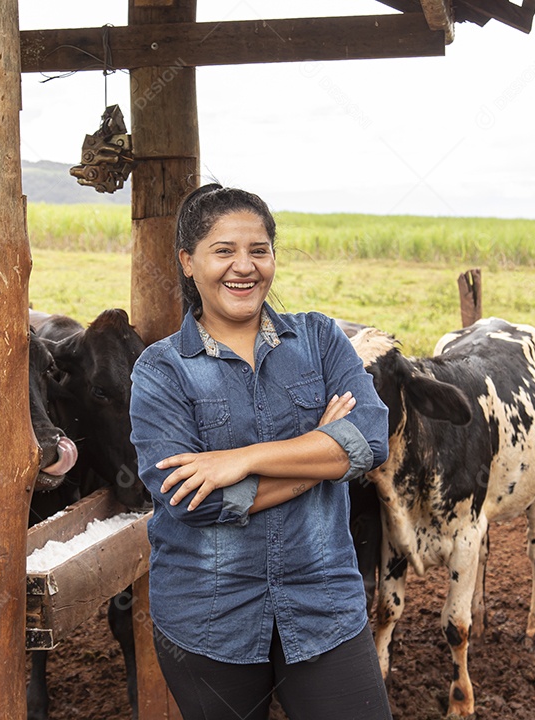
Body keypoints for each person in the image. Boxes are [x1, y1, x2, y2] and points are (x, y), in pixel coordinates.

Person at [129, 183, 392, 719]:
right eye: (223, 251)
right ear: (187, 261)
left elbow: (369, 439)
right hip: (209, 618)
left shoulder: (320, 339)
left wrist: (241, 460)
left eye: (259, 251)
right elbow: (190, 501)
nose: (243, 267)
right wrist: (319, 459)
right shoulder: (160, 370)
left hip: (324, 608)